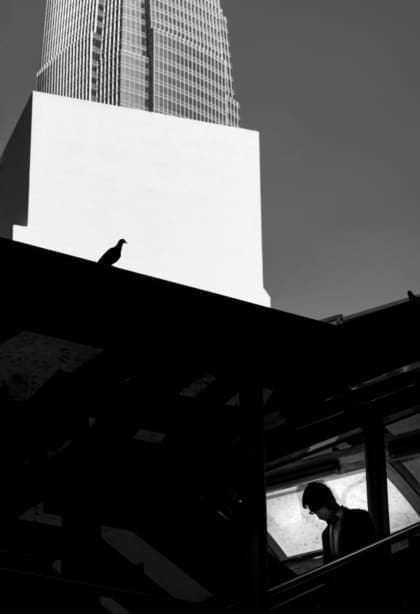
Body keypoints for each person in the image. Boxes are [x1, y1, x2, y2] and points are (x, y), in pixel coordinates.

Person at [302, 481, 376, 564]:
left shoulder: (359, 517)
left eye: (316, 509)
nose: (318, 516)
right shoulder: (325, 535)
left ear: (326, 501)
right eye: (313, 512)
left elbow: (372, 551)